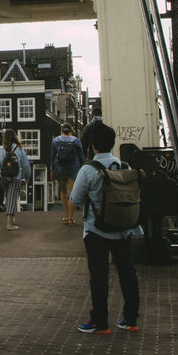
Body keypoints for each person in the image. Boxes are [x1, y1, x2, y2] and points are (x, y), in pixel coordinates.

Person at [71, 122, 142, 335]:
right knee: (127, 273)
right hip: (123, 228)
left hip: (97, 230)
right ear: (112, 143)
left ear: (92, 145)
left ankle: (100, 322)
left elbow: (75, 198)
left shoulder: (88, 170)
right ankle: (131, 320)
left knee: (99, 276)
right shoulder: (125, 167)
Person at [0, 128, 31, 231]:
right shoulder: (19, 149)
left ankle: (12, 219)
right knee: (12, 197)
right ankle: (9, 223)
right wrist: (27, 176)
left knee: (8, 197)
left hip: (3, 177)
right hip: (15, 176)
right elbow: (26, 165)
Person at [51, 123, 85, 225]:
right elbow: (81, 156)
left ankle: (66, 216)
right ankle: (70, 217)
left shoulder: (55, 141)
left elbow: (52, 157)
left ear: (61, 130)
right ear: (71, 130)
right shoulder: (76, 141)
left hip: (59, 168)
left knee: (63, 193)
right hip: (73, 168)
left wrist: (52, 170)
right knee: (72, 193)